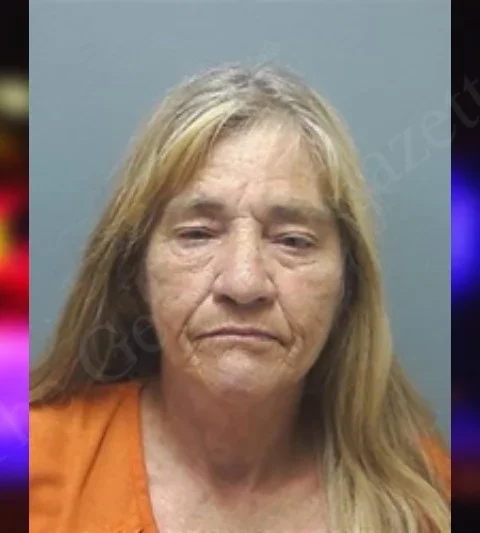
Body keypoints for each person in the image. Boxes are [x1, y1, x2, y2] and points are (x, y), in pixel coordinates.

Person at [29, 62, 450, 533]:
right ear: (137, 272)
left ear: (347, 287)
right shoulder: (34, 465)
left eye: (292, 240)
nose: (244, 284)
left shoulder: (427, 502)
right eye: (197, 233)